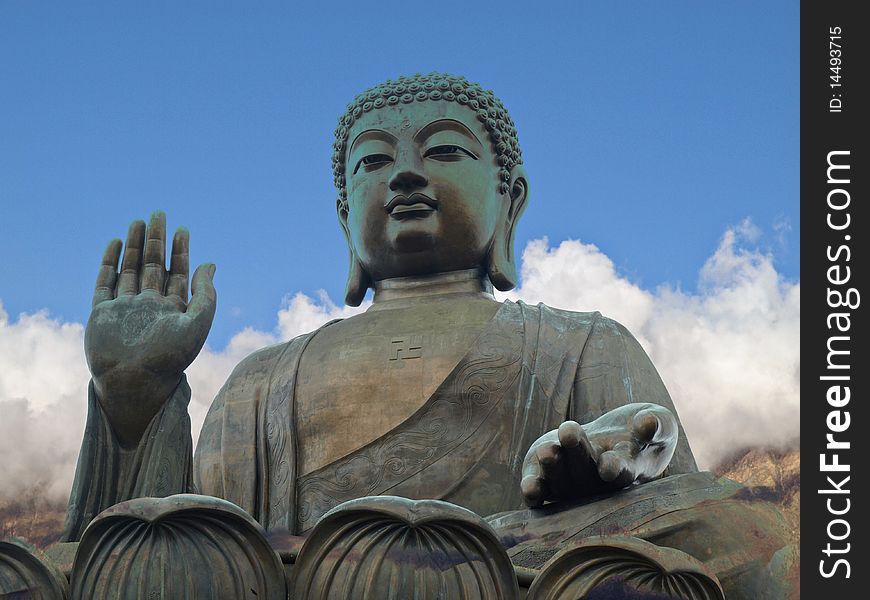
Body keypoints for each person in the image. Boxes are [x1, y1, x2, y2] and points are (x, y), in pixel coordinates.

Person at [61, 74, 795, 598]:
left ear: (511, 201)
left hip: (526, 575)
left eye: (444, 152)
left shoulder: (583, 345)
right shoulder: (262, 379)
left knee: (751, 530)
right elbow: (162, 558)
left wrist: (602, 479)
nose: (406, 172)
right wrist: (137, 404)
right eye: (374, 162)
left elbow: (696, 520)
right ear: (346, 215)